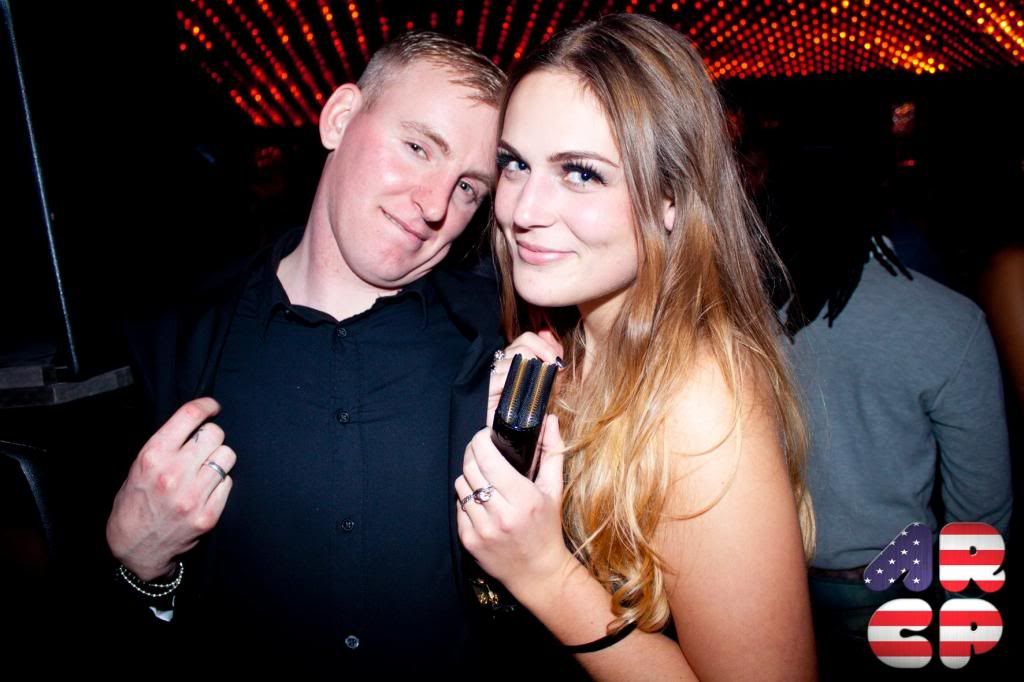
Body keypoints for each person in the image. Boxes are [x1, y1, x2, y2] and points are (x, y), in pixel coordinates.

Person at [104, 32, 505, 672]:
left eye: (467, 189)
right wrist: (144, 568)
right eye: (417, 147)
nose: (434, 205)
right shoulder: (169, 343)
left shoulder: (504, 347)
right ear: (339, 118)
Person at [454, 14, 816, 681]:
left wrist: (544, 574)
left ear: (672, 196)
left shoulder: (700, 403)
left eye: (581, 174)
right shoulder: (563, 342)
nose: (524, 210)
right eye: (514, 164)